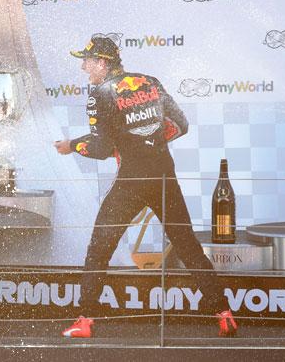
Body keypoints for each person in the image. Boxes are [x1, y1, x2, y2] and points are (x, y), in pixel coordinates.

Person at [54, 37, 237, 338]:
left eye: (87, 61)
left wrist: (70, 145)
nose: (83, 67)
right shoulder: (149, 82)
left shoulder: (100, 92)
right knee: (188, 246)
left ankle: (84, 321)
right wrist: (149, 143)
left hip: (132, 182)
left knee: (99, 249)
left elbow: (100, 148)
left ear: (103, 62)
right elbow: (180, 124)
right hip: (164, 176)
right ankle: (224, 314)